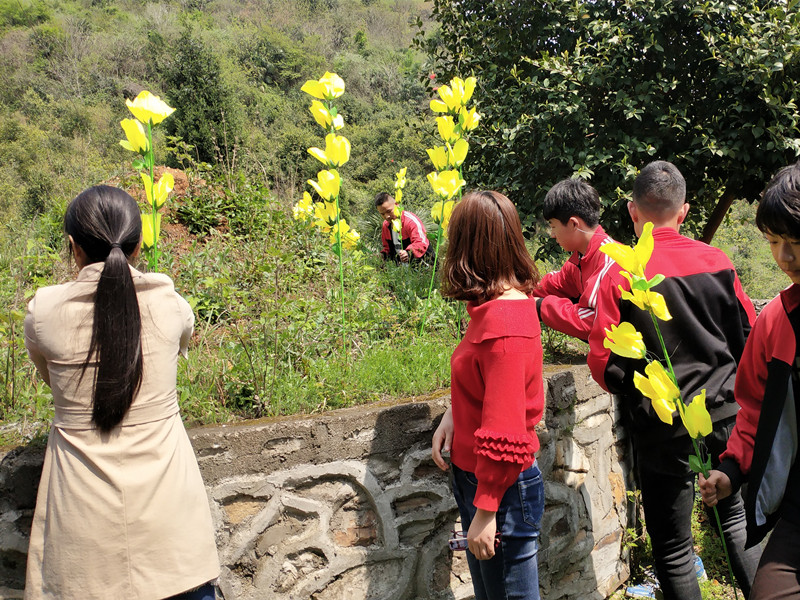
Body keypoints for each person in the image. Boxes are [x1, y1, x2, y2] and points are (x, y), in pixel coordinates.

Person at [24, 186, 220, 600]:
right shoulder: (169, 301)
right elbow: (184, 341)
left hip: (83, 528)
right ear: (138, 244)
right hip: (172, 528)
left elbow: (49, 377)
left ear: (73, 247)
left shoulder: (44, 311)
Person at [587, 161, 762, 600]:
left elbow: (605, 363)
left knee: (674, 547)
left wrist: (637, 390)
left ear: (632, 212)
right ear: (683, 212)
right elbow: (749, 336)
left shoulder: (621, 273)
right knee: (735, 520)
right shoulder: (717, 261)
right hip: (723, 416)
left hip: (662, 425)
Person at [431, 190, 545, 600]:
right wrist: (454, 413)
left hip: (501, 489)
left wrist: (486, 510)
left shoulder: (505, 322)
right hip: (480, 481)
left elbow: (507, 427)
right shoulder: (496, 307)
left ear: (468, 246)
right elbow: (488, 386)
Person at [700, 161, 800, 599]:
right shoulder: (776, 322)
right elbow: (755, 407)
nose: (784, 258)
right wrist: (732, 468)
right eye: (774, 242)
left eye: (796, 242)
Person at [531, 178, 617, 340]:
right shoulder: (581, 258)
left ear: (573, 224)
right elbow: (553, 285)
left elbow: (593, 321)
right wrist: (515, 290)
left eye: (553, 226)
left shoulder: (609, 260)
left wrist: (541, 306)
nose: (553, 234)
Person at [375, 192, 432, 263]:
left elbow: (421, 242)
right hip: (402, 270)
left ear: (397, 205)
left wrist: (408, 253)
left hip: (423, 267)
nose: (387, 216)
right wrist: (382, 255)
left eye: (389, 211)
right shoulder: (386, 225)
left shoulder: (411, 221)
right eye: (382, 214)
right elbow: (387, 248)